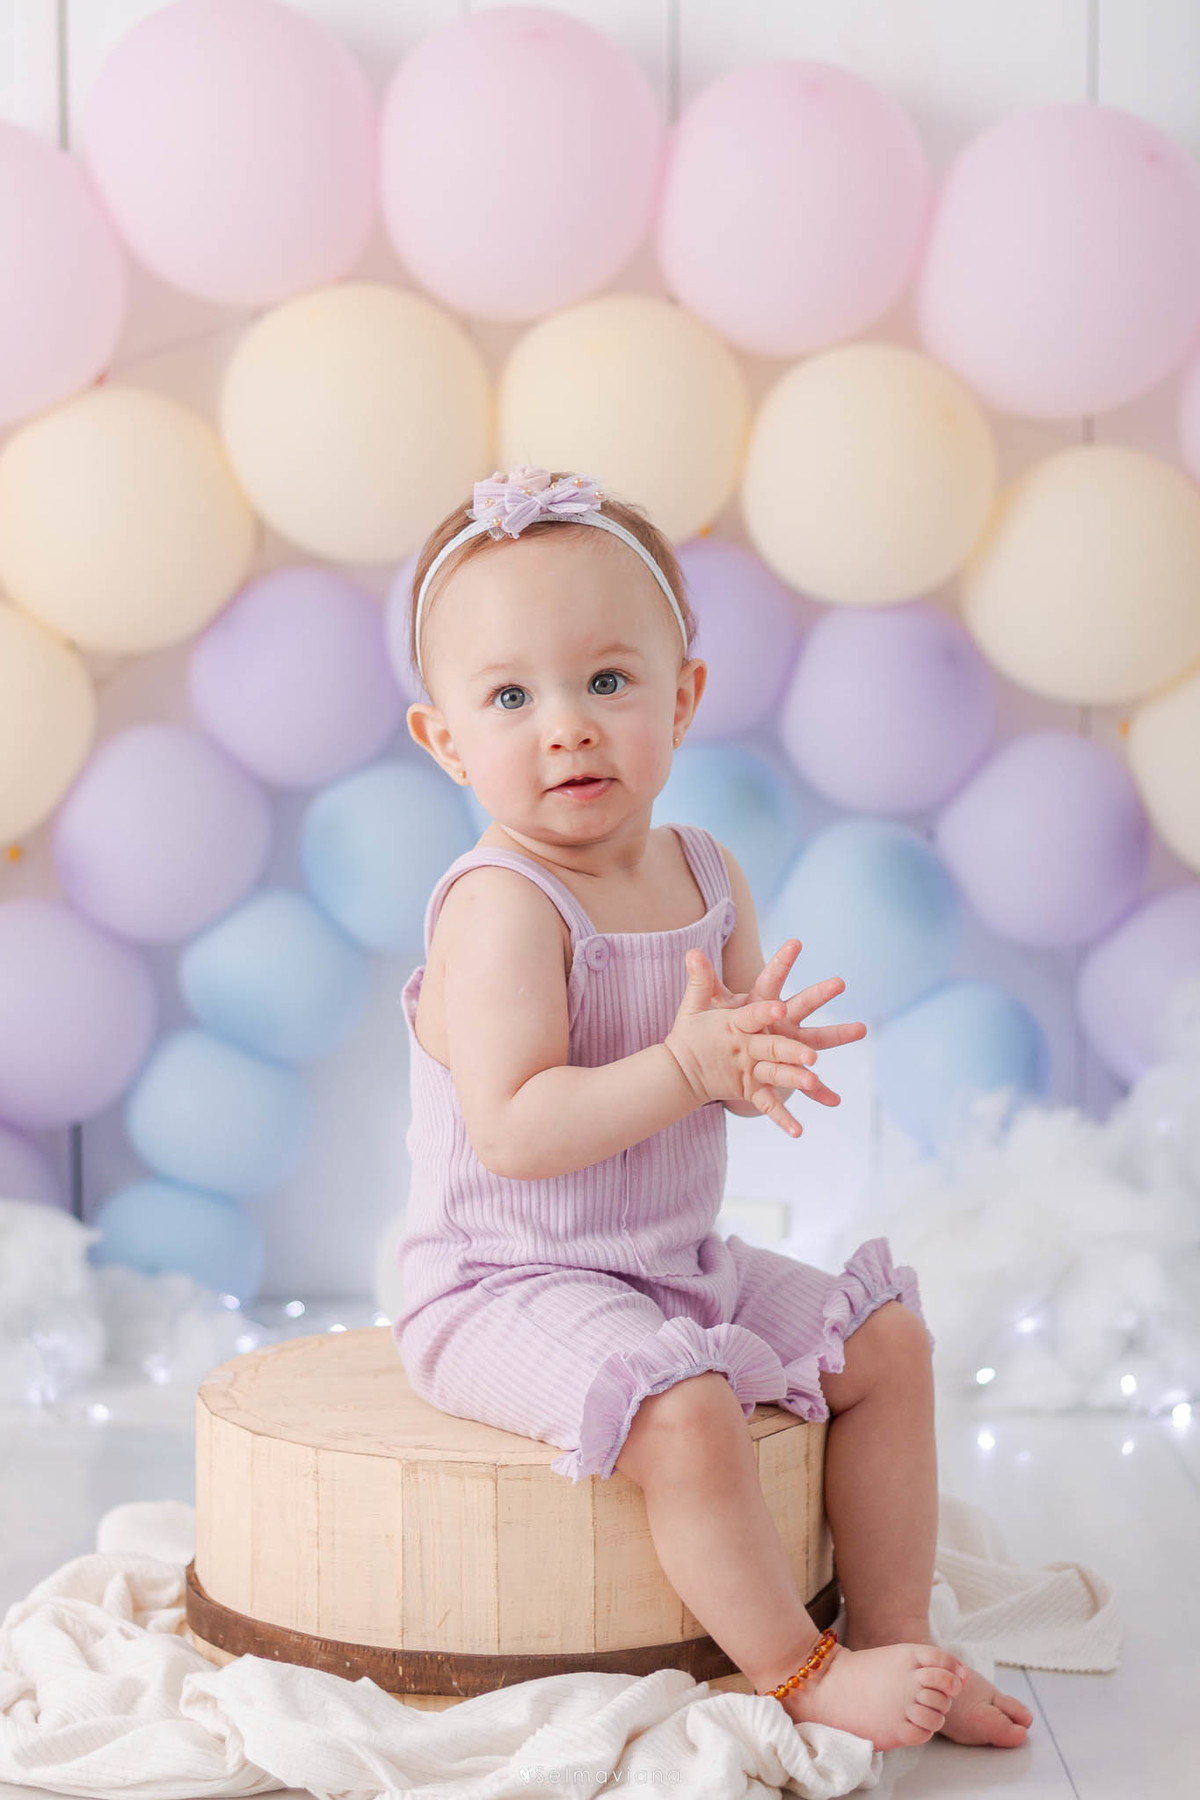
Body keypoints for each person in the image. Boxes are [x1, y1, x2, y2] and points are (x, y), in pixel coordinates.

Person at [392, 466, 1033, 1753]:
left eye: (606, 681)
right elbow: (514, 1128)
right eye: (511, 698)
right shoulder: (503, 905)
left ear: (682, 700)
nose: (567, 728)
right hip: (504, 1284)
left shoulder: (706, 870)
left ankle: (896, 1631)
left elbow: (711, 1050)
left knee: (889, 1342)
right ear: (446, 740)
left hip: (671, 1262)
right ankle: (800, 1672)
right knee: (684, 1413)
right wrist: (687, 1070)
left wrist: (753, 1056)